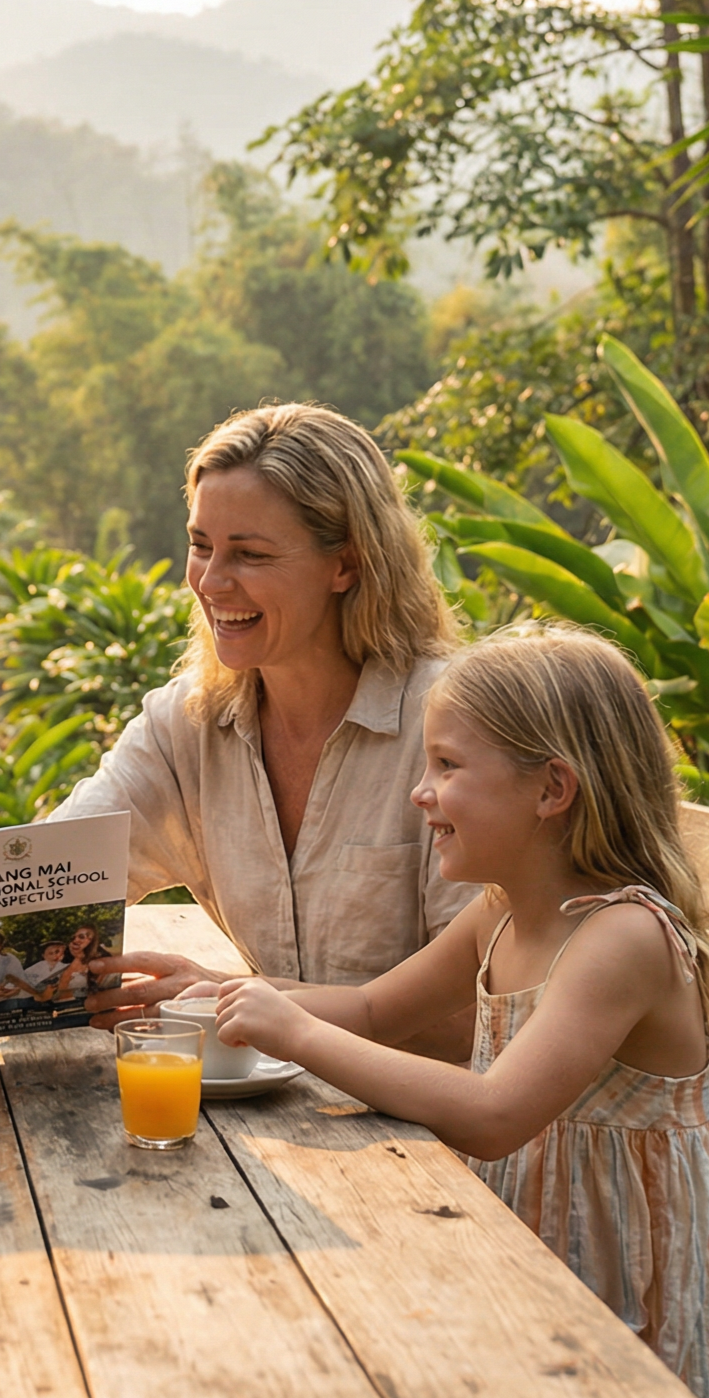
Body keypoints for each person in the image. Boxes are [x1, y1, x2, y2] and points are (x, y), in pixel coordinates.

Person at [202, 624, 709, 1398]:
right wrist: (214, 994)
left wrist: (294, 1030)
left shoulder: (621, 938)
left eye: (448, 766)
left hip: (628, 1326)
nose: (420, 793)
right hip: (523, 1267)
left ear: (551, 790)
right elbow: (367, 1009)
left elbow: (495, 1115)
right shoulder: (498, 912)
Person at [53, 403, 474, 1056]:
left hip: (449, 1141)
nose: (210, 582)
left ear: (347, 564)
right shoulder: (184, 727)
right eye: (200, 546)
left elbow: (485, 1018)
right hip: (300, 1120)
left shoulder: (455, 727)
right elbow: (56, 877)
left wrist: (237, 999)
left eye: (248, 554)